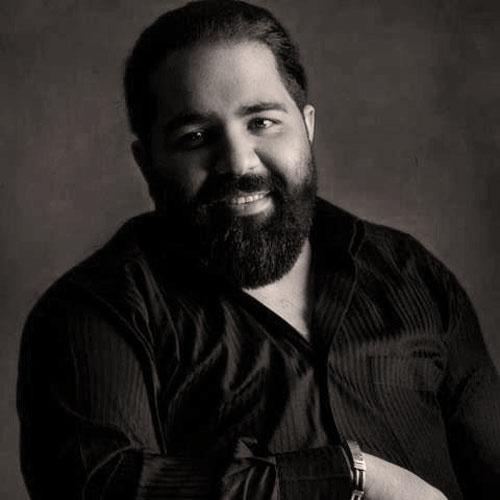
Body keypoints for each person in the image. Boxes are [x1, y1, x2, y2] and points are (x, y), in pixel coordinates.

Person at [17, 1, 500, 499]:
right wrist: (350, 475)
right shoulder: (94, 311)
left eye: (262, 122)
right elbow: (98, 484)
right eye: (195, 137)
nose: (238, 162)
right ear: (147, 162)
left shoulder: (411, 273)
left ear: (307, 127)